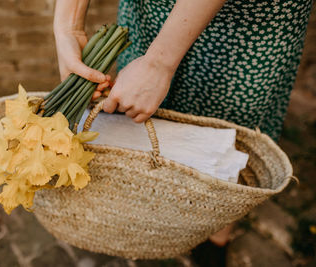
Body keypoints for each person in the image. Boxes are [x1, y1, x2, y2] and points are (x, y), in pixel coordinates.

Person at [53, 0, 312, 251]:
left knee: (228, 139)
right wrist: (69, 25)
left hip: (246, 25)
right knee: (138, 117)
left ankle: (215, 236)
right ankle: (153, 221)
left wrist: (158, 63)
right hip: (152, 12)